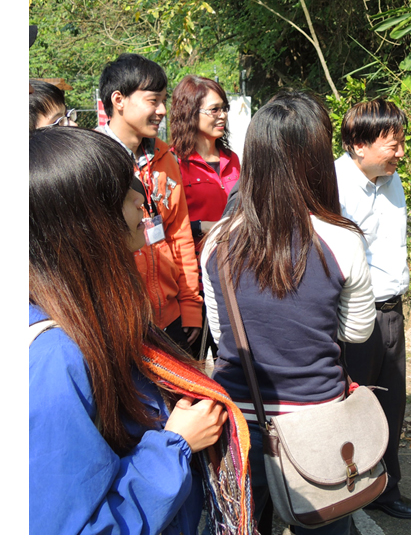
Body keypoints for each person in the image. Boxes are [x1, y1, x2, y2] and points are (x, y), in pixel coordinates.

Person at [30, 126, 249, 534]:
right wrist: (175, 446)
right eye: (122, 193)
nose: (141, 200)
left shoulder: (94, 316)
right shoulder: (56, 357)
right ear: (85, 221)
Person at [203, 92, 375, 535]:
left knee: (241, 527)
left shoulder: (217, 241)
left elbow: (224, 334)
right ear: (317, 158)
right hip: (317, 418)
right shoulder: (343, 240)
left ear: (253, 157)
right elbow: (356, 332)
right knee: (326, 524)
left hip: (236, 424)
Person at [333, 98, 411, 520]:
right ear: (358, 145)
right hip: (351, 314)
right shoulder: (333, 186)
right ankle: (342, 489)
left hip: (391, 309)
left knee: (391, 403)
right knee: (351, 404)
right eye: (393, 144)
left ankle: (385, 487)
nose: (401, 153)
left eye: (402, 142)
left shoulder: (391, 179)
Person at [96, 55, 208, 354]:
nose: (162, 111)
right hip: (120, 323)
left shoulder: (165, 158)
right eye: (153, 101)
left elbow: (179, 233)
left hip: (171, 318)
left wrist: (190, 305)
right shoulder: (91, 163)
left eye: (163, 101)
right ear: (118, 100)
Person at [166, 78, 243, 228]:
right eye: (214, 110)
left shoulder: (231, 159)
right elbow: (168, 223)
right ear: (190, 113)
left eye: (224, 108)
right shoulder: (174, 162)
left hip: (232, 249)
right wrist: (202, 227)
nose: (222, 115)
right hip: (195, 249)